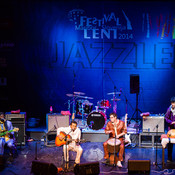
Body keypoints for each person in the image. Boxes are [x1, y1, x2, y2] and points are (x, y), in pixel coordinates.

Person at [165, 96, 175, 162]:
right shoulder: (169, 109)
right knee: (170, 143)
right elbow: (166, 118)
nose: (172, 104)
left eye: (174, 103)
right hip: (171, 128)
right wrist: (171, 122)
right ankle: (169, 158)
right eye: (172, 103)